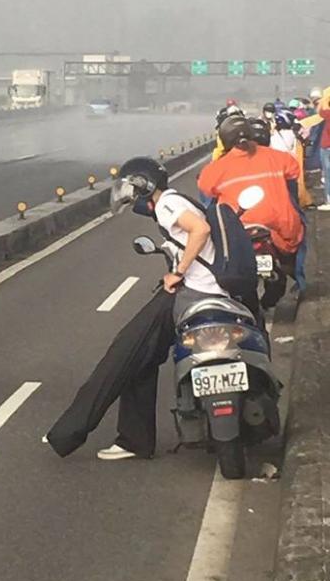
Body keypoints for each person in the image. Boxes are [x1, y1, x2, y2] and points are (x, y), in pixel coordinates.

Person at [46, 157, 224, 463]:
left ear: (144, 185)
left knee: (122, 353)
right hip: (206, 291)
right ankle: (135, 440)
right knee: (142, 359)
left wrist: (178, 272)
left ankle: (67, 433)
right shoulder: (173, 200)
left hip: (189, 293)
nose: (130, 193)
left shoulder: (168, 205)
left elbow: (201, 230)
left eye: (132, 186)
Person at [198, 116, 303, 259]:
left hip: (239, 233)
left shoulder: (214, 169)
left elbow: (205, 189)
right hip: (283, 233)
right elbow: (294, 174)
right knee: (301, 236)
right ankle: (301, 277)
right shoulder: (279, 157)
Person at [317, 88, 330, 211]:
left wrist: (325, 98)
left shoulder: (327, 113)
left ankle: (329, 199)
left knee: (328, 174)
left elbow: (321, 111)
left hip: (327, 147)